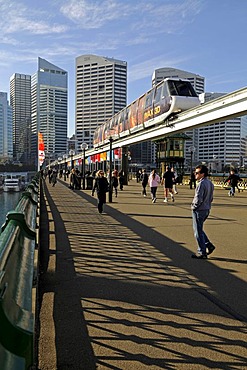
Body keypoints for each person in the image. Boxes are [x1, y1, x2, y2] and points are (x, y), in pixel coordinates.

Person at [191, 165, 215, 259]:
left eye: (197, 173)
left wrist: (194, 207)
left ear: (202, 174)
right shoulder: (210, 183)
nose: (195, 174)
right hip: (206, 209)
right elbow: (211, 198)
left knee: (197, 231)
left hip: (199, 210)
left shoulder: (201, 184)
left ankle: (202, 252)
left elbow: (198, 198)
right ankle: (208, 245)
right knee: (199, 229)